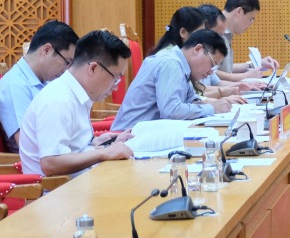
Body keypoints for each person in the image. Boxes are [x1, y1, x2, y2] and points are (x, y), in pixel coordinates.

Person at [18, 30, 134, 176]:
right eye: (115, 78)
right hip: (60, 189)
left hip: (82, 181)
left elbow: (72, 148)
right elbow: (51, 163)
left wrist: (98, 144)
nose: (116, 86)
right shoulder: (59, 100)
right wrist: (103, 153)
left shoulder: (75, 94)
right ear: (93, 68)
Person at [111, 29, 242, 130]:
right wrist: (212, 108)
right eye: (212, 64)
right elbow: (171, 110)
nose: (210, 72)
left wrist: (221, 104)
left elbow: (191, 100)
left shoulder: (182, 66)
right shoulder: (171, 63)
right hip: (128, 138)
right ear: (198, 49)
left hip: (146, 133)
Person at [0, 20, 79, 152]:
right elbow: (28, 146)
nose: (66, 69)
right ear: (47, 50)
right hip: (41, 162)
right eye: (67, 62)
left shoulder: (46, 81)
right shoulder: (15, 86)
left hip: (61, 153)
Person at [214, 0, 279, 81]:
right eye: (250, 18)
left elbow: (225, 69)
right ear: (239, 11)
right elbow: (209, 72)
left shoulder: (227, 33)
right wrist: (244, 76)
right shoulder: (213, 29)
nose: (251, 23)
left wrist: (252, 65)